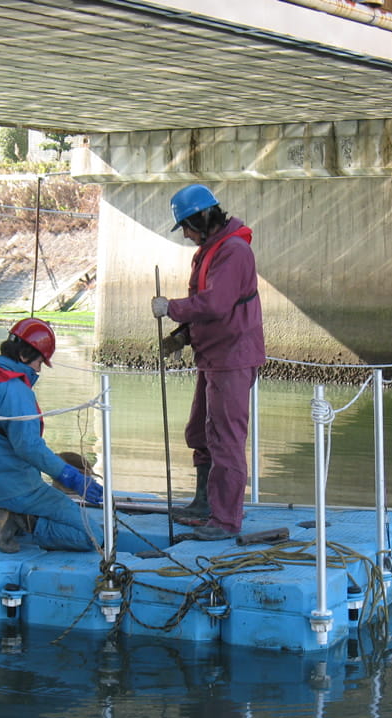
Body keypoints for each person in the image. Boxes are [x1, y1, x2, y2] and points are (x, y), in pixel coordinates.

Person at [151, 184, 266, 541]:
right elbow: (212, 305)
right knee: (201, 432)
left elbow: (216, 304)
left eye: (186, 225)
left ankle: (226, 520)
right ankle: (205, 503)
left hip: (232, 359)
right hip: (215, 356)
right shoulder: (210, 251)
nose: (185, 234)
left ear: (203, 217)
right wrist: (183, 335)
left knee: (227, 440)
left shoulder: (233, 251)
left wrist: (171, 309)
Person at [0, 318, 105, 553]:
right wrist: (70, 476)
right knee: (93, 536)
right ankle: (20, 522)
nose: (38, 369)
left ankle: (0, 512)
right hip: (19, 490)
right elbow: (28, 446)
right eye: (39, 362)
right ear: (26, 356)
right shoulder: (14, 388)